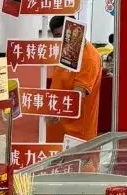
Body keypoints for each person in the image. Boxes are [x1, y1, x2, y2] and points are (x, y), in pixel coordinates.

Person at [44, 16, 103, 145]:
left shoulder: (88, 57)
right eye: (58, 36)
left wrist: (54, 110)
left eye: (66, 35)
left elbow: (78, 95)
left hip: (77, 135)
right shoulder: (65, 52)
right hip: (57, 130)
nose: (63, 40)